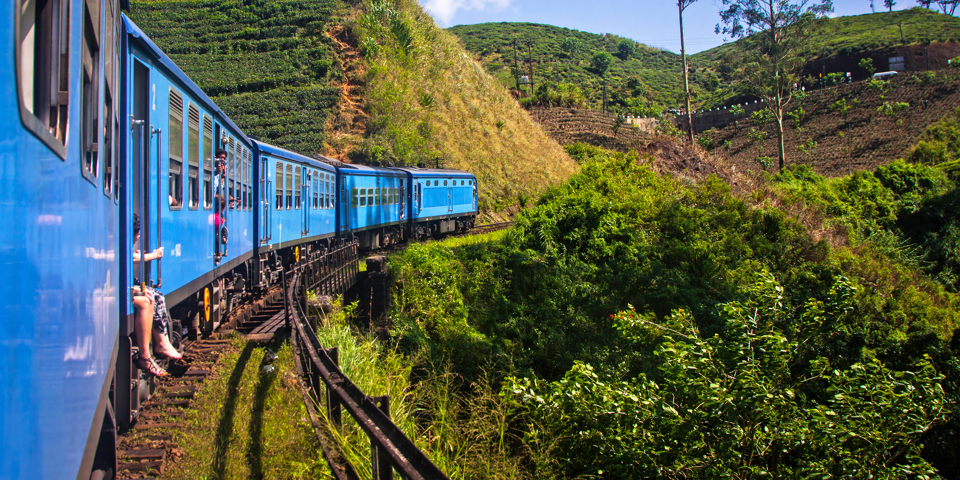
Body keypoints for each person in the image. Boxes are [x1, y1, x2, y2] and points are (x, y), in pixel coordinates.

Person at [131, 214, 182, 377]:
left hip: (128, 285)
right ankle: (155, 348)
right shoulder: (121, 241)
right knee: (150, 298)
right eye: (137, 233)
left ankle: (162, 341)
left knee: (157, 296)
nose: (139, 236)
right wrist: (153, 255)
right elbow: (131, 257)